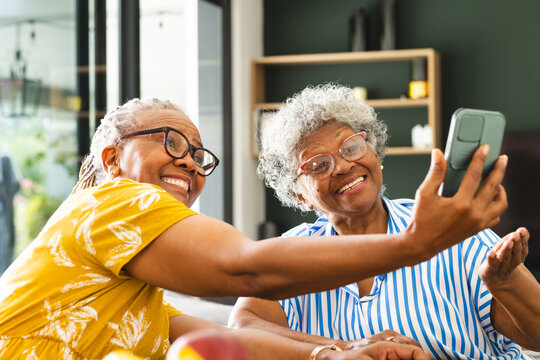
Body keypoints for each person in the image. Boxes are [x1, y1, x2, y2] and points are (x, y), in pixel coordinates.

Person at [0, 98, 507, 360]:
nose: (192, 165)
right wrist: (415, 243)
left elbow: (231, 341)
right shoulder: (110, 203)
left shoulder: (131, 294)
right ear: (112, 158)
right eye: (174, 143)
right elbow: (245, 270)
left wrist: (335, 353)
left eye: (200, 157)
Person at [229, 84, 540, 359]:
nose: (341, 166)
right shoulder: (291, 252)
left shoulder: (452, 229)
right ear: (300, 196)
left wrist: (505, 282)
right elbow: (243, 326)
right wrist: (344, 349)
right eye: (318, 165)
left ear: (375, 153)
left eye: (351, 147)